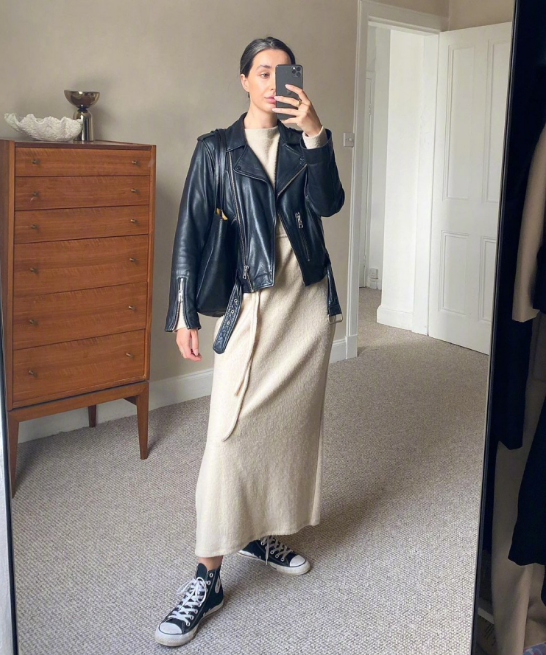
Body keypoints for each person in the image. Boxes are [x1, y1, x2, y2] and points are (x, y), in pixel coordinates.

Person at [156, 36, 345, 648]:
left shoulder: (301, 141)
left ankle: (258, 534)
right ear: (244, 80)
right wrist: (183, 312)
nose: (272, 82)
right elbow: (189, 230)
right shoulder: (216, 149)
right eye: (262, 72)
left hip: (305, 307)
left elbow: (329, 203)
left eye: (282, 72)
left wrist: (315, 133)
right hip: (252, 306)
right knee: (228, 436)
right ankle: (206, 577)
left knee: (287, 431)